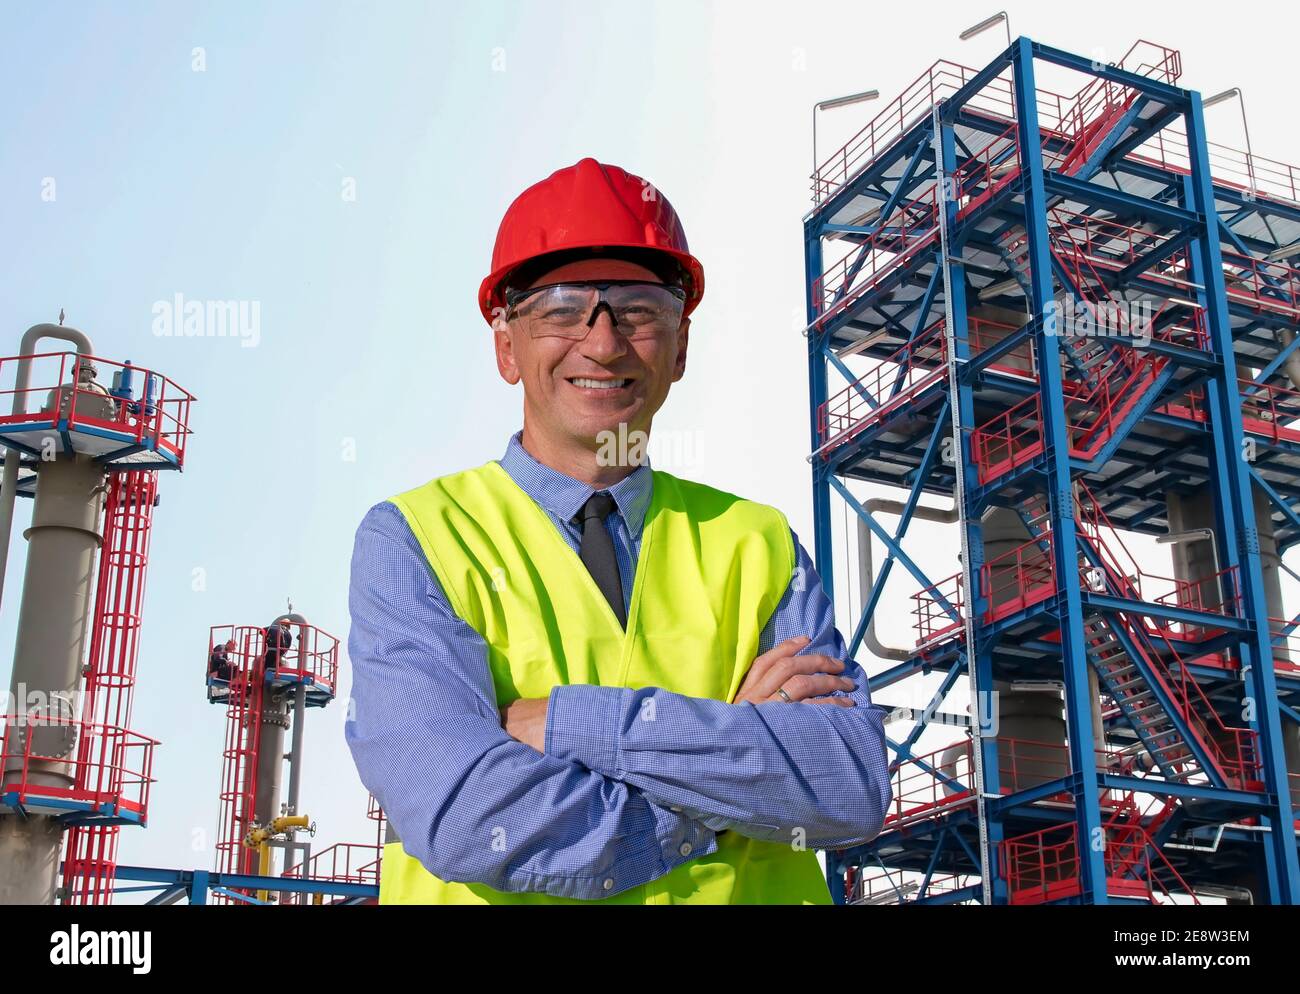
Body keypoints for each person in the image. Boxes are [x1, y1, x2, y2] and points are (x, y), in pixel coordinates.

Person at [345, 158, 892, 905]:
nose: (602, 344)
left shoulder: (757, 542)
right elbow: (467, 816)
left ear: (681, 346)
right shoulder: (415, 539)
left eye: (638, 308)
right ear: (507, 346)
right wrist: (737, 772)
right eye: (562, 308)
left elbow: (848, 785)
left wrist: (578, 725)